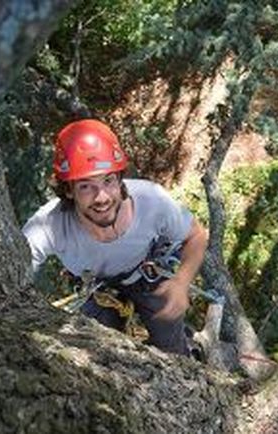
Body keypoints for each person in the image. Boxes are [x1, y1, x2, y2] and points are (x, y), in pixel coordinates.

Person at [22, 119, 208, 356]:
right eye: (85, 187)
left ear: (120, 179)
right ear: (68, 190)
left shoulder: (151, 201)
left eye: (108, 181)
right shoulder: (49, 225)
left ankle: (187, 348)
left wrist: (181, 283)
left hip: (147, 275)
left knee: (171, 345)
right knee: (97, 351)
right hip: (97, 288)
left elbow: (196, 235)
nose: (101, 197)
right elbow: (13, 268)